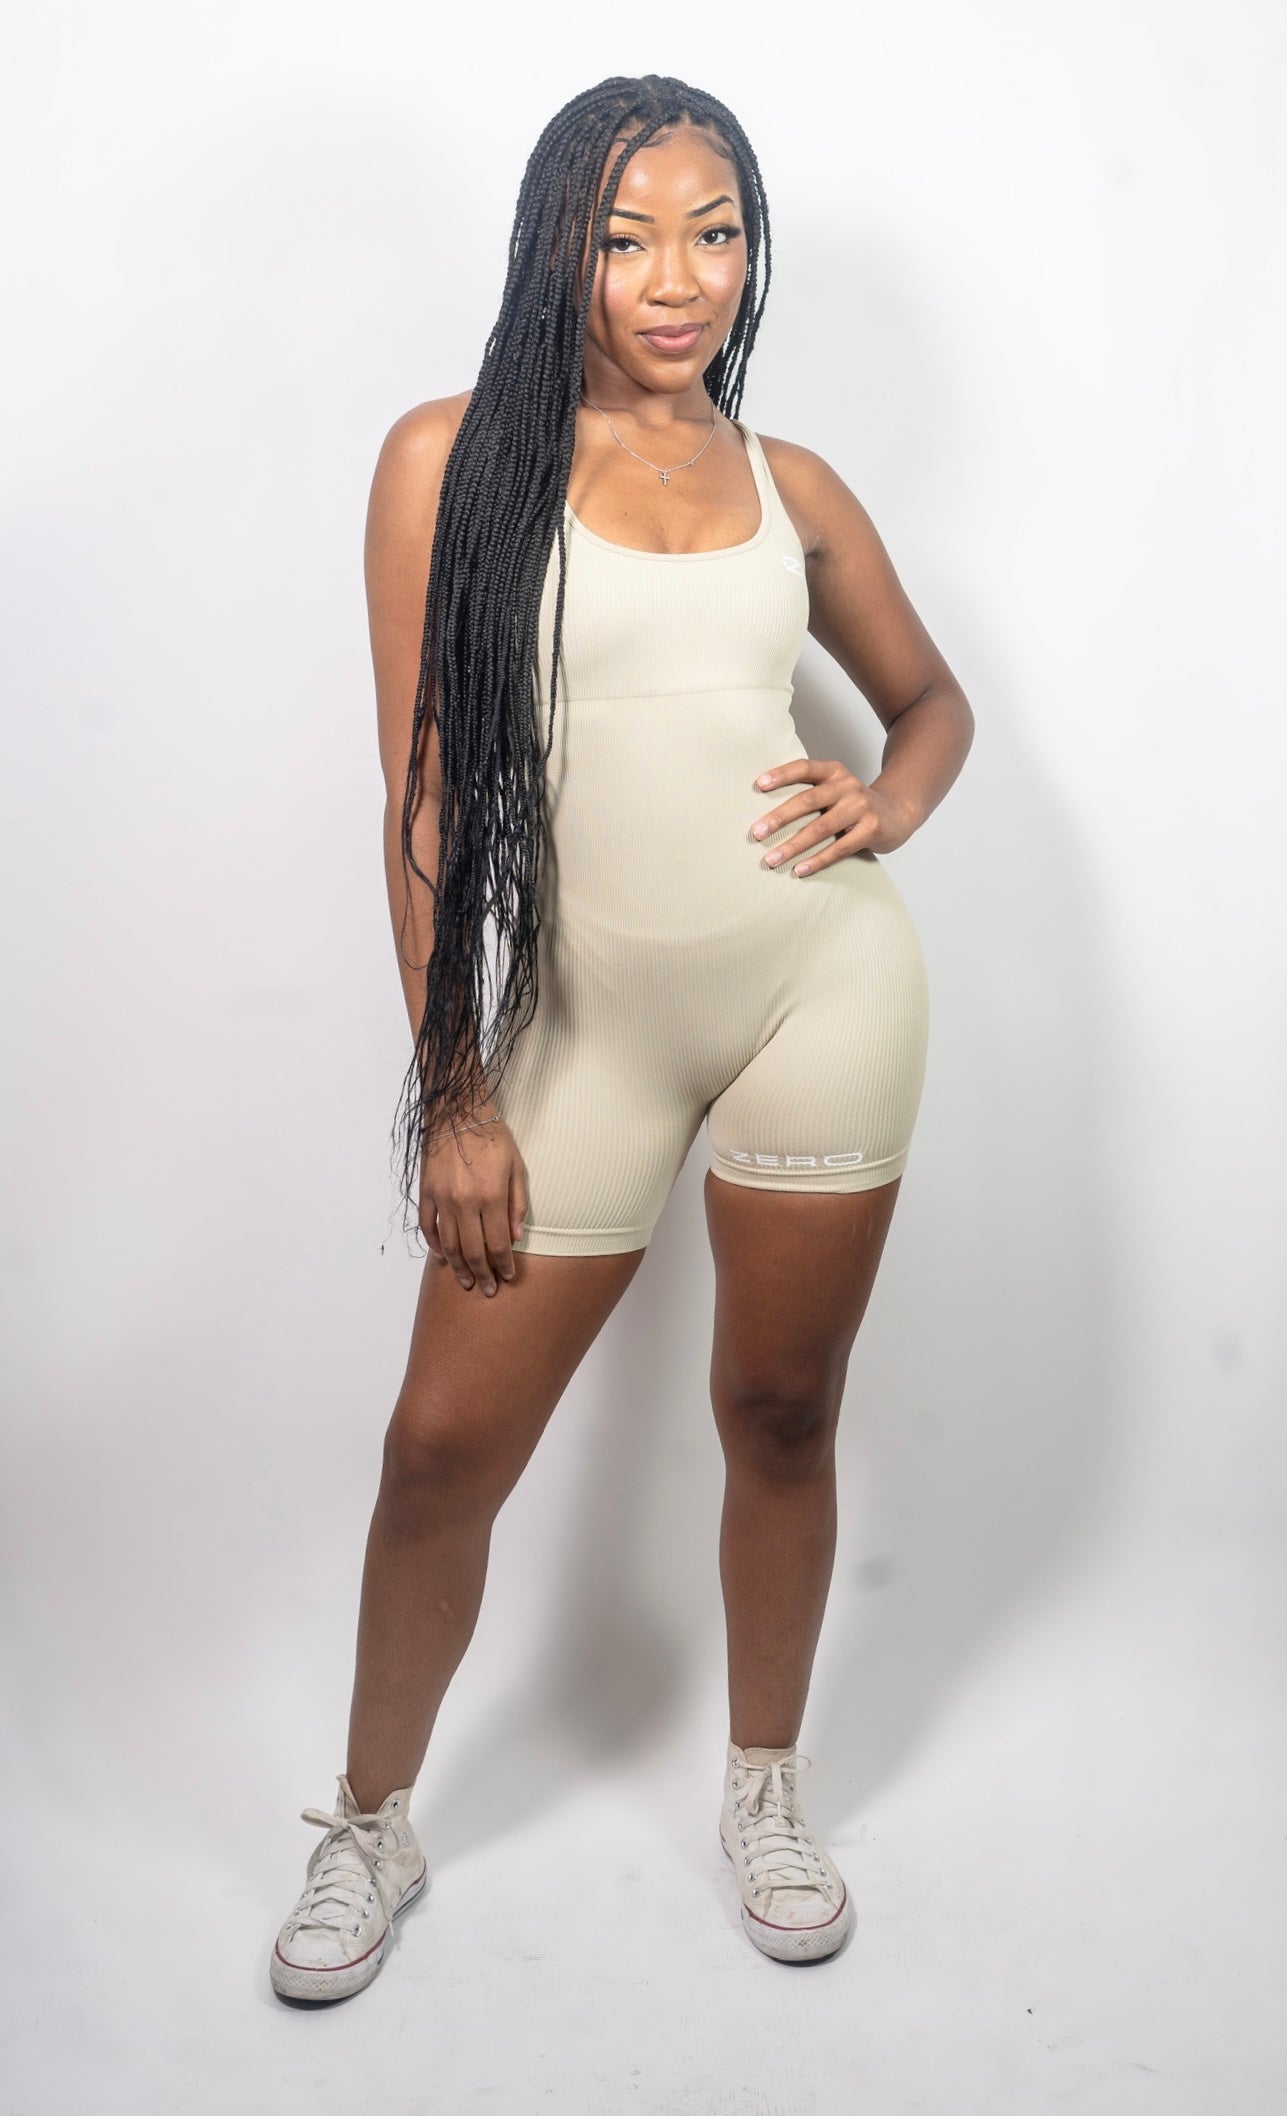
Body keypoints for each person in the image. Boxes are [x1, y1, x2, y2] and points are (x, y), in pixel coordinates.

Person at [269, 72, 974, 2003]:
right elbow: (424, 798)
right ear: (554, 249)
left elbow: (929, 705)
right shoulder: (447, 458)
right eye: (627, 235)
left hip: (821, 987)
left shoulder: (788, 485)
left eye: (715, 232)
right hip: (581, 1022)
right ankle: (371, 1819)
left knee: (783, 1411)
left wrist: (889, 802)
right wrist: (455, 1086)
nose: (678, 278)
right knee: (439, 1450)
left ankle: (765, 1787)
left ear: (752, 250)